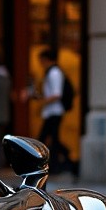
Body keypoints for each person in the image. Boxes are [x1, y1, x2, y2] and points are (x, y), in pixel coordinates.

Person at [35, 47, 76, 178]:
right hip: (51, 111)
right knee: (52, 138)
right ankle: (63, 163)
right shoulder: (50, 72)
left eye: (41, 60)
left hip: (55, 111)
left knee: (44, 138)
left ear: (46, 59)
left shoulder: (54, 72)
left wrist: (43, 102)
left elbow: (57, 94)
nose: (40, 63)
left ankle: (63, 163)